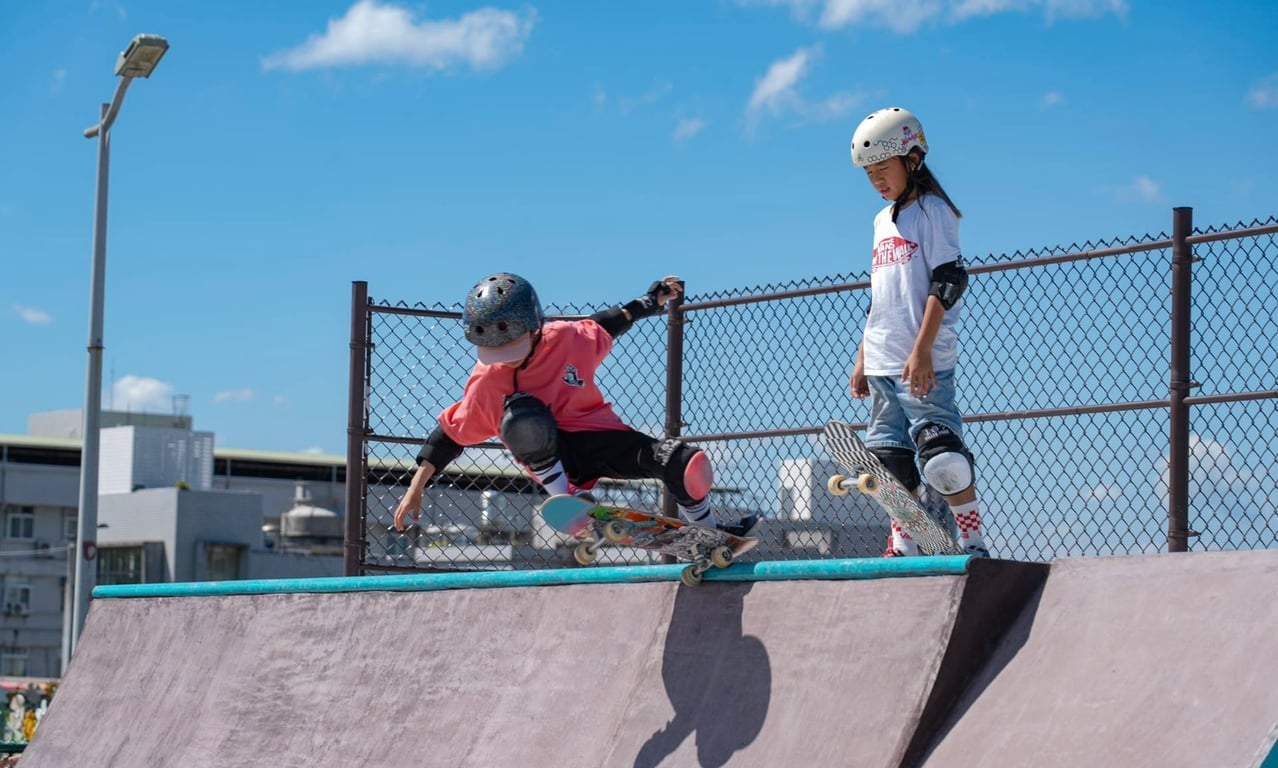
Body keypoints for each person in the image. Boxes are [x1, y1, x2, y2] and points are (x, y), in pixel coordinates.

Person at [393, 272, 759, 537]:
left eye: (513, 350)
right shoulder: (487, 383)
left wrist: (653, 300)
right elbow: (449, 435)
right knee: (525, 416)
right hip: (553, 461)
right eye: (497, 354)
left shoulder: (567, 338)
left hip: (598, 437)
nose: (506, 361)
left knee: (685, 462)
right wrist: (415, 488)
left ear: (536, 327)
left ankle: (711, 534)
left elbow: (610, 322)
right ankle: (567, 503)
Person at [846, 106, 989, 558]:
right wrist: (862, 357)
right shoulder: (881, 221)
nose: (877, 182)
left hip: (922, 362)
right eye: (869, 175)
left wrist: (923, 349)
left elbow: (948, 279)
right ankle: (904, 543)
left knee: (942, 460)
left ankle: (972, 540)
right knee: (889, 467)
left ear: (912, 159)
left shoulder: (934, 211)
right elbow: (881, 296)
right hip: (884, 358)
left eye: (883, 170)